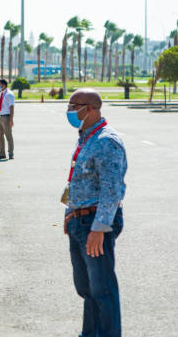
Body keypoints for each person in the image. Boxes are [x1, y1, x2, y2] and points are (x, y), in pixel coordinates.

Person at [63, 88, 127, 337]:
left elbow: (113, 189)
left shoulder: (106, 141)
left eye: (73, 106)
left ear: (90, 108)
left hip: (94, 222)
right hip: (80, 220)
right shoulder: (87, 138)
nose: (68, 111)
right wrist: (69, 214)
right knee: (87, 289)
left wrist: (100, 228)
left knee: (102, 289)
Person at [0, 78, 15, 160]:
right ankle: (2, 153)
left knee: (8, 136)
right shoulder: (1, 94)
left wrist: (11, 120)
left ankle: (11, 154)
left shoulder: (9, 94)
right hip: (1, 116)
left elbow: (12, 107)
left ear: (4, 85)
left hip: (7, 116)